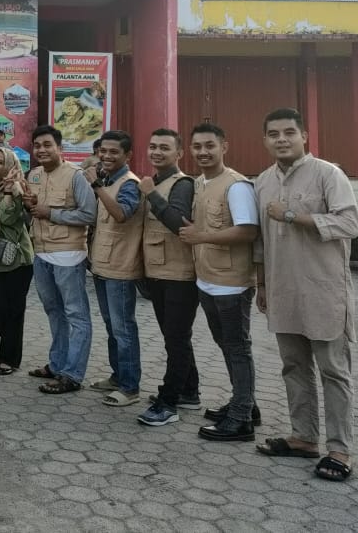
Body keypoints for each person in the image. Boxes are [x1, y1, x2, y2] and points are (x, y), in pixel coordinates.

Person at [253, 108, 358, 482]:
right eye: (273, 134)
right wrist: (262, 284)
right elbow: (260, 240)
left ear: (304, 136)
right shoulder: (262, 182)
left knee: (334, 371)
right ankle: (303, 437)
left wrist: (291, 216)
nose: (281, 139)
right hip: (282, 289)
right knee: (293, 366)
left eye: (289, 132)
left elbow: (350, 223)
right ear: (265, 140)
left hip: (323, 290)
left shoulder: (329, 174)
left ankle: (340, 449)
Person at [179, 122, 260, 442]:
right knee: (226, 344)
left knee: (237, 348)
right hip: (208, 279)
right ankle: (246, 403)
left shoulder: (236, 186)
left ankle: (241, 420)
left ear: (224, 147)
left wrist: (201, 236)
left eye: (210, 145)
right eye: (197, 146)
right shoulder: (200, 183)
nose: (203, 152)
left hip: (232, 283)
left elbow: (247, 231)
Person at [136, 129, 201, 427]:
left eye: (164, 147)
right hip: (159, 272)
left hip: (179, 275)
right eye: (153, 146)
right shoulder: (157, 181)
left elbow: (179, 224)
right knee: (175, 337)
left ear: (179, 154)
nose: (157, 152)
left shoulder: (182, 184)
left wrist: (151, 194)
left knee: (176, 339)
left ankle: (168, 402)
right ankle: (189, 391)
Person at [25, 125, 96, 395]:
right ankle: (57, 364)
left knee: (76, 315)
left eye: (47, 145)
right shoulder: (34, 175)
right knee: (53, 311)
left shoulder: (76, 176)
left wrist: (51, 213)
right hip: (41, 253)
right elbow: (33, 211)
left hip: (68, 255)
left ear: (59, 148)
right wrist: (28, 203)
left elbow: (89, 214)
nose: (41, 150)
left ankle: (73, 374)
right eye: (37, 145)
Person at [86, 130, 145, 407]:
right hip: (102, 264)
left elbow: (121, 214)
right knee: (112, 326)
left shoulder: (129, 183)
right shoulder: (109, 179)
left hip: (121, 267)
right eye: (103, 151)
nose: (106, 156)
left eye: (113, 152)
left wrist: (96, 186)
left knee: (123, 329)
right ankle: (118, 376)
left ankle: (130, 387)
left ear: (127, 155)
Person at [0, 147, 34, 375]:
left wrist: (10, 192)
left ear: (9, 167)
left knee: (15, 310)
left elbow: (8, 218)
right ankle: (10, 343)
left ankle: (8, 359)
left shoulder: (18, 187)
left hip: (18, 259)